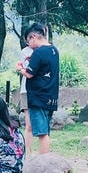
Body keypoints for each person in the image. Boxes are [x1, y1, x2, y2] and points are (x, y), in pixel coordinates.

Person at [21, 22, 60, 154]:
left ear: (33, 37)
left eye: (28, 41)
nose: (29, 45)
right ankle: (45, 158)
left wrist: (20, 68)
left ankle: (43, 161)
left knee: (41, 132)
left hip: (38, 97)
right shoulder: (54, 50)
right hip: (50, 96)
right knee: (46, 130)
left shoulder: (38, 53)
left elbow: (29, 74)